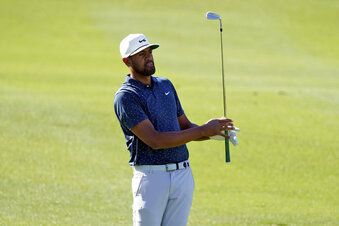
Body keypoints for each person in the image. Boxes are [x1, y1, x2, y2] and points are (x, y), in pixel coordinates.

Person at [114, 33, 236, 226]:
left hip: (182, 175)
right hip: (151, 179)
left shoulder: (165, 85)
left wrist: (216, 133)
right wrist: (205, 129)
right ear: (126, 61)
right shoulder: (126, 97)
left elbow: (185, 127)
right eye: (141, 54)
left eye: (149, 51)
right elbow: (155, 140)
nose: (149, 56)